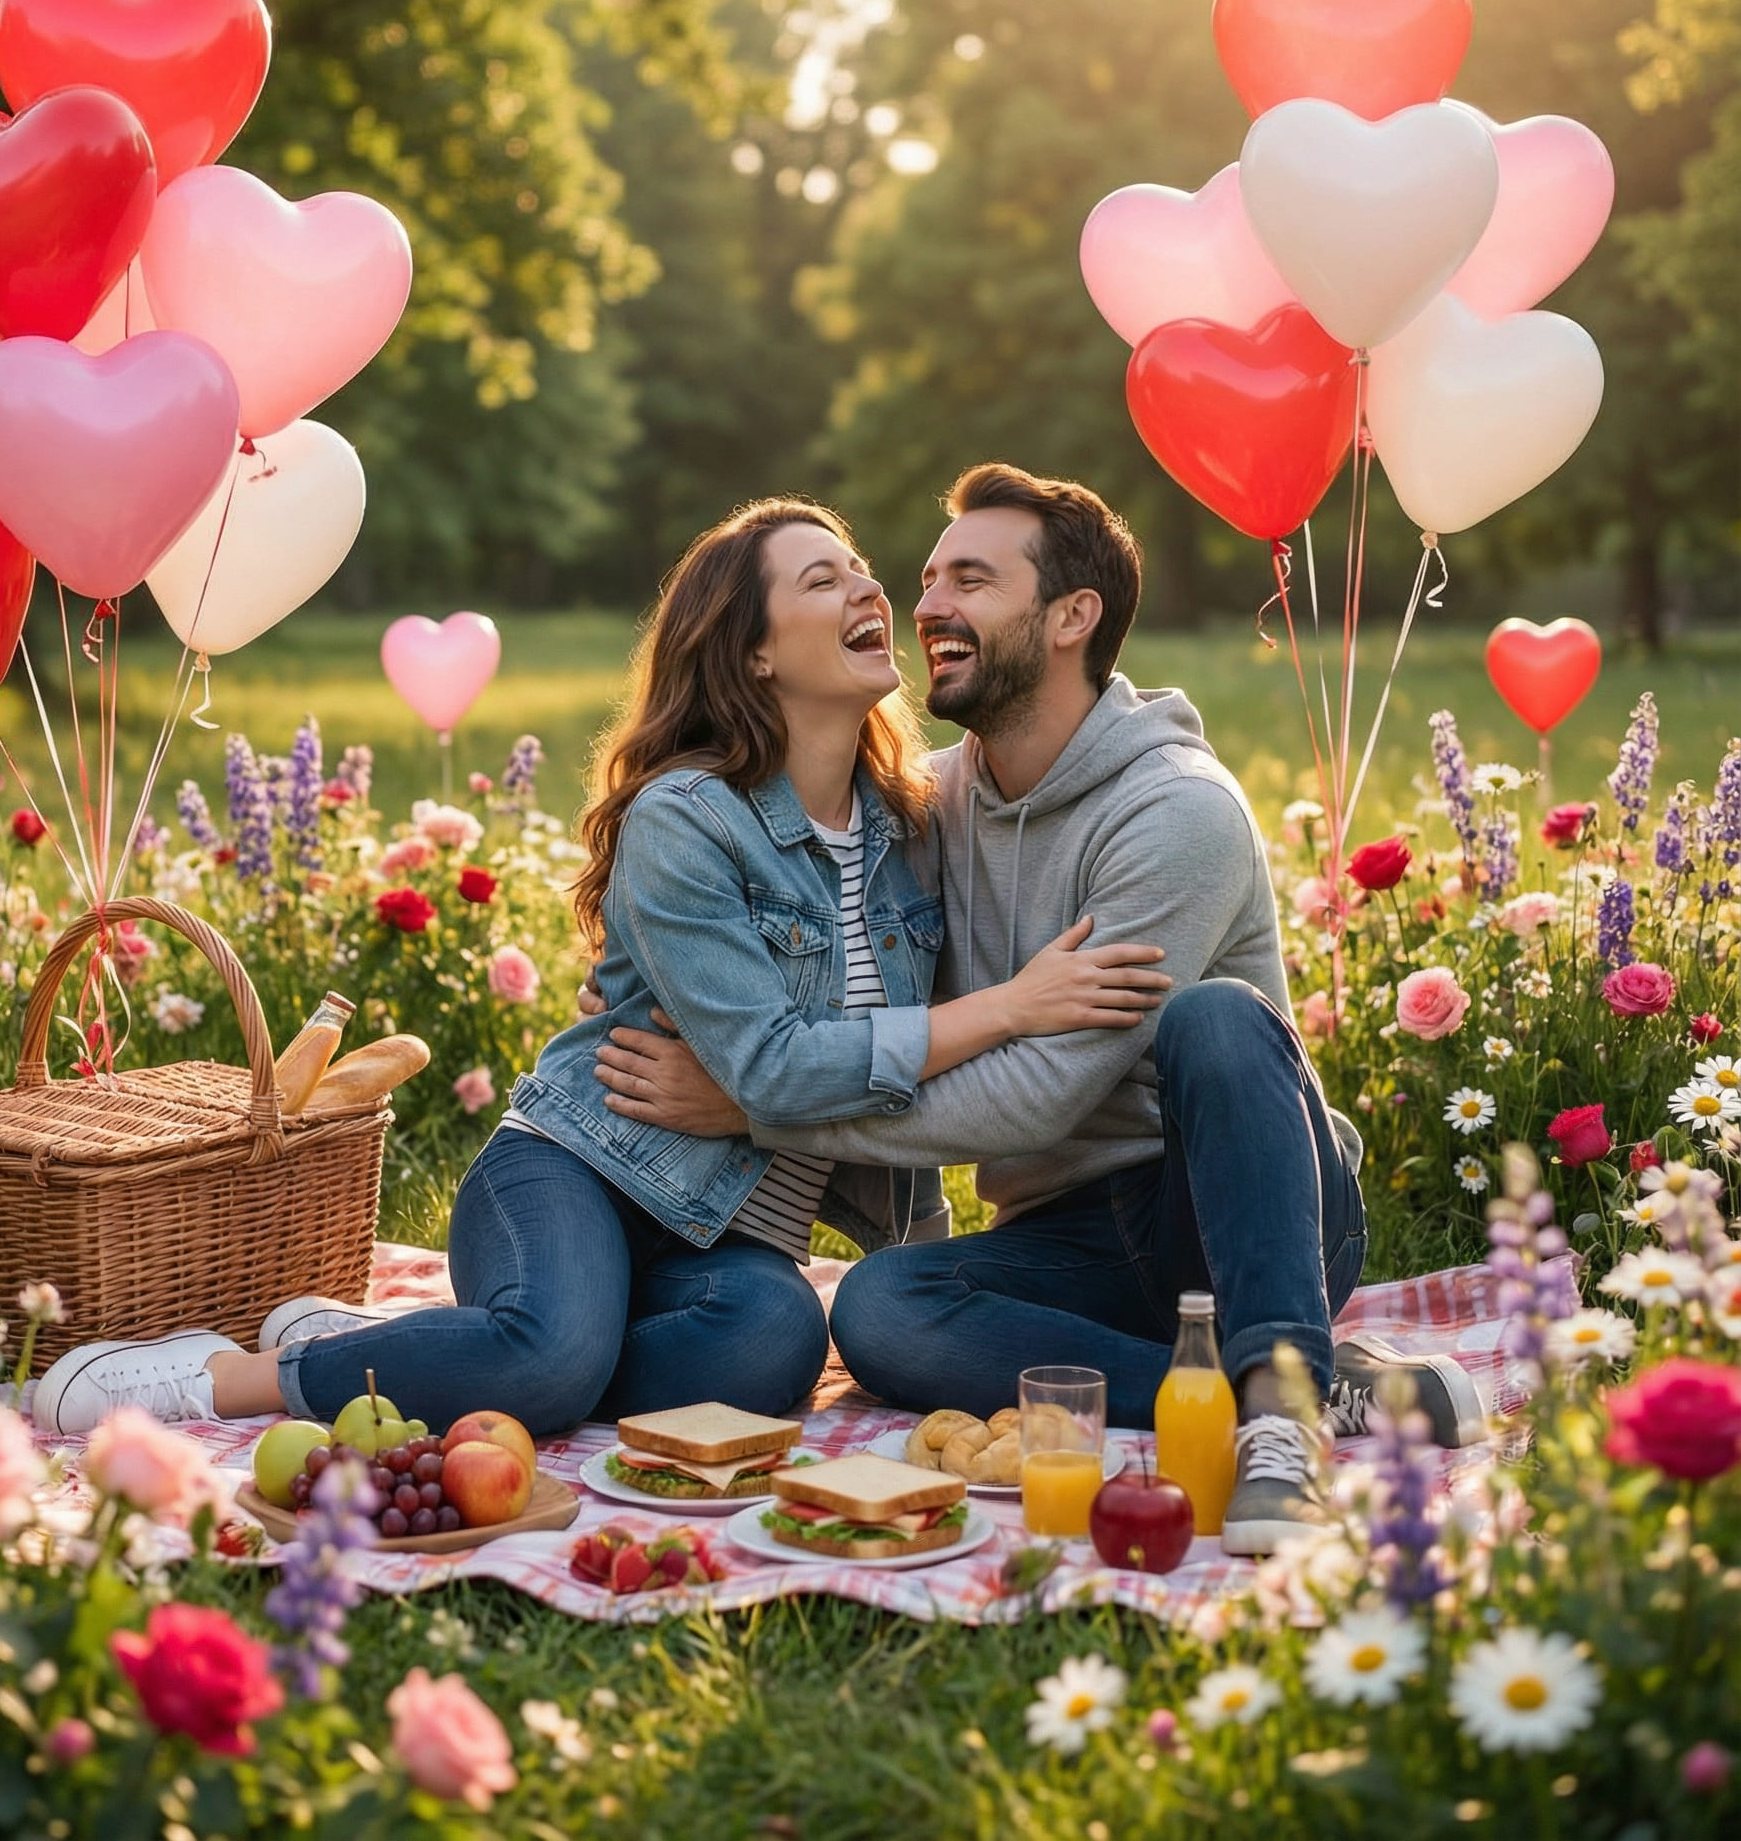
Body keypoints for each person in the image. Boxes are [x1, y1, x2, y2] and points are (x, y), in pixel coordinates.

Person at [33, 498, 1170, 1440]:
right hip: (581, 1168)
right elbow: (776, 1070)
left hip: (733, 1236)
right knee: (553, 1356)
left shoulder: (909, 825)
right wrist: (1009, 1007)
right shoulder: (687, 817)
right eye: (824, 581)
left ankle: (390, 1350)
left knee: (770, 1350)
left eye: (861, 571)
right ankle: (218, 1377)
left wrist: (917, 1261)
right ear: (755, 649)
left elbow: (878, 1081)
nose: (874, 593)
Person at [592, 465, 1485, 1555]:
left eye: (970, 579)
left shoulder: (1176, 812)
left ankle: (1276, 1419)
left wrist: (747, 1107)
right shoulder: (919, 808)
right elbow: (792, 945)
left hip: (1234, 1208)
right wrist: (663, 981)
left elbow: (1032, 1096)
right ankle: (1283, 1387)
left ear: (1071, 618)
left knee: (1213, 1017)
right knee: (876, 1308)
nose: (924, 605)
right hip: (1062, 1239)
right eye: (925, 578)